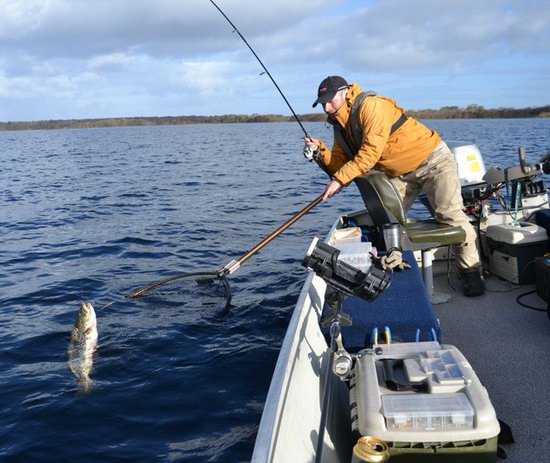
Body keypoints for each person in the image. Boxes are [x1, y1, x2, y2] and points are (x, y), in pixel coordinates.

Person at [305, 75, 485, 297]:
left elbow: (369, 154)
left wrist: (340, 179)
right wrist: (320, 153)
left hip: (434, 161)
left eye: (330, 100)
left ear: (345, 92)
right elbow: (340, 165)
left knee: (449, 214)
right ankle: (393, 261)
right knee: (386, 217)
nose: (326, 107)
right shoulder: (339, 126)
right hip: (400, 173)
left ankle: (471, 271)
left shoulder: (371, 107)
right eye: (322, 103)